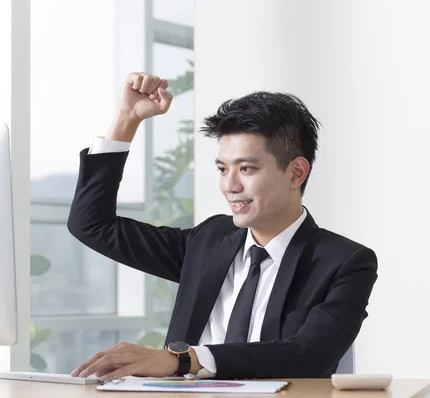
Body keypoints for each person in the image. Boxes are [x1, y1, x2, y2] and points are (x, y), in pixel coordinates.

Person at [67, 72, 377, 381]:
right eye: (222, 168)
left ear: (296, 173)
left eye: (246, 168)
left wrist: (184, 360)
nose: (229, 185)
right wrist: (127, 118)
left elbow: (310, 356)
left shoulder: (344, 262)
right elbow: (92, 224)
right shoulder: (209, 240)